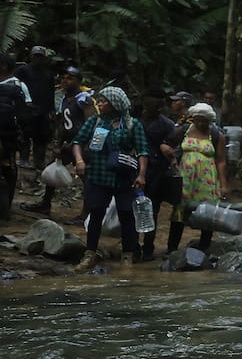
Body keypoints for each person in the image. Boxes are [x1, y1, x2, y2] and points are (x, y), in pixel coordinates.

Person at [71, 87, 150, 270]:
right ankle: (90, 254)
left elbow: (142, 151)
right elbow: (77, 141)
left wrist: (141, 174)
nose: (99, 104)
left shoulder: (132, 124)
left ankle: (127, 256)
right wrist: (79, 160)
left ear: (115, 104)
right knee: (96, 212)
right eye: (99, 101)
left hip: (124, 178)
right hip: (98, 175)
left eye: (103, 101)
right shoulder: (95, 121)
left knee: (126, 215)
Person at [22, 66, 91, 218]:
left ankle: (86, 213)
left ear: (78, 81)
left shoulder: (83, 99)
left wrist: (82, 144)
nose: (65, 80)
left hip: (79, 144)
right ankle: (45, 203)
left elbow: (89, 123)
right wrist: (58, 144)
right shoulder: (64, 98)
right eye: (63, 77)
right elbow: (61, 123)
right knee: (51, 169)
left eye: (70, 78)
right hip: (66, 144)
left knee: (86, 178)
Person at [165, 102, 228, 253]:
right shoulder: (183, 131)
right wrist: (173, 161)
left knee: (207, 212)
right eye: (197, 120)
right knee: (180, 210)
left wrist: (223, 184)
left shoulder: (216, 135)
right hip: (185, 177)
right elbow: (168, 145)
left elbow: (221, 161)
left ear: (209, 120)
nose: (200, 123)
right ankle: (172, 248)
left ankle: (204, 247)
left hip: (207, 178)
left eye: (204, 120)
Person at [137, 89, 177, 260]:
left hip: (157, 173)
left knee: (152, 210)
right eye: (154, 104)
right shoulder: (134, 120)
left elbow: (173, 147)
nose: (158, 108)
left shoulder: (167, 125)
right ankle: (132, 245)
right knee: (133, 209)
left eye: (160, 105)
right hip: (134, 170)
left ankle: (148, 247)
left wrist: (166, 148)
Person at [0, 53, 33, 217]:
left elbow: (25, 112)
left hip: (8, 138)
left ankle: (6, 208)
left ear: (4, 66)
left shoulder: (17, 85)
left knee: (8, 170)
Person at [15, 46, 55, 169]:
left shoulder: (48, 73)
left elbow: (50, 92)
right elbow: (16, 86)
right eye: (36, 56)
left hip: (42, 111)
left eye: (40, 56)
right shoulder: (22, 70)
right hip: (26, 110)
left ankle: (39, 161)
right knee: (24, 136)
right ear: (31, 57)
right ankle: (24, 159)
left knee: (41, 138)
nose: (38, 59)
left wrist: (51, 110)